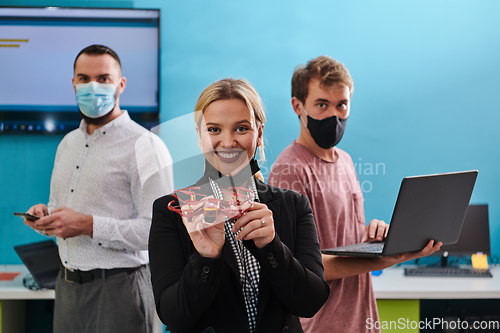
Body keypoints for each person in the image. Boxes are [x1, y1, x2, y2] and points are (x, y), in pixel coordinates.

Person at [268, 55, 442, 333]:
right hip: (321, 325)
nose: (333, 116)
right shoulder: (289, 170)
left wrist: (369, 235)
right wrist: (390, 258)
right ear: (298, 106)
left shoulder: (346, 161)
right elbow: (299, 267)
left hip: (363, 320)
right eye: (322, 104)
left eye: (342, 105)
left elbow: (334, 236)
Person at [149, 78, 330, 333]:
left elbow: (311, 302)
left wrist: (272, 247)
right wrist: (205, 259)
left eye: (241, 128)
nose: (228, 141)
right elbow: (172, 314)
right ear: (199, 136)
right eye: (214, 129)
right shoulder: (172, 210)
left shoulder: (293, 205)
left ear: (259, 134)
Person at [22, 44, 174, 333]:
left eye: (103, 78)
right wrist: (46, 218)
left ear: (121, 84)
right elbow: (59, 208)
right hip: (66, 288)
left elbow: (157, 232)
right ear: (74, 83)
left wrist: (88, 225)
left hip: (119, 288)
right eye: (84, 78)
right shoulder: (67, 143)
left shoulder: (147, 146)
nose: (93, 86)